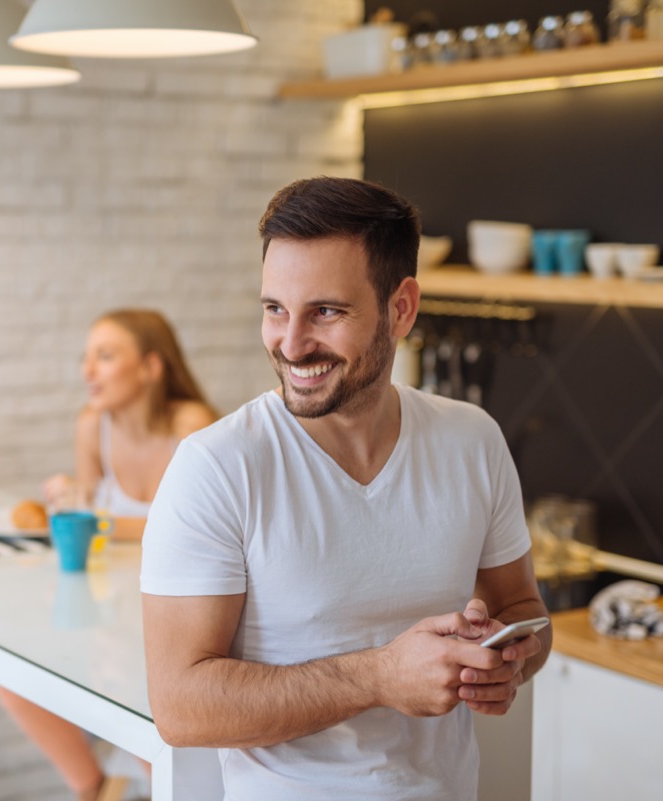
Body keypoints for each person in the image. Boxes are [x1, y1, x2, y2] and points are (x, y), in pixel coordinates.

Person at [140, 177, 551, 800]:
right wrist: (379, 677)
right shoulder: (218, 466)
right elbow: (180, 706)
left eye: (325, 312)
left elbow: (525, 610)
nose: (292, 343)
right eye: (274, 308)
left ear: (401, 309)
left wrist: (511, 663)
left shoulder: (472, 440)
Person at [0, 308, 217, 801]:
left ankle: (166, 784)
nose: (87, 371)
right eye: (86, 358)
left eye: (106, 356)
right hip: (109, 610)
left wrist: (95, 523)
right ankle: (91, 788)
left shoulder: (192, 426)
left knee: (137, 701)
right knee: (14, 678)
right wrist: (69, 503)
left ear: (151, 367)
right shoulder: (93, 426)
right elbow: (90, 519)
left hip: (173, 616)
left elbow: (180, 534)